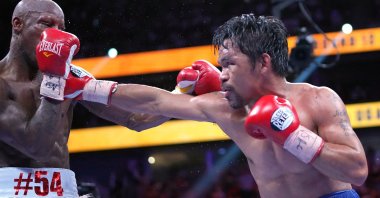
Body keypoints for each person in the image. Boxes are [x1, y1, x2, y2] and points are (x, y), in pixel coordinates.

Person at [49, 13, 369, 197]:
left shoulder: (317, 99)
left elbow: (357, 169)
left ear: (263, 62)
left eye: (229, 64)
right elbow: (154, 102)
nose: (222, 74)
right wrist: (88, 87)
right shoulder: (224, 108)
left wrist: (292, 134)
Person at [0, 0, 170, 197]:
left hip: (64, 190)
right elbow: (36, 147)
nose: (56, 35)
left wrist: (184, 92)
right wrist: (54, 80)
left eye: (61, 28)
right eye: (46, 24)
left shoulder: (70, 74)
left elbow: (137, 118)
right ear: (18, 24)